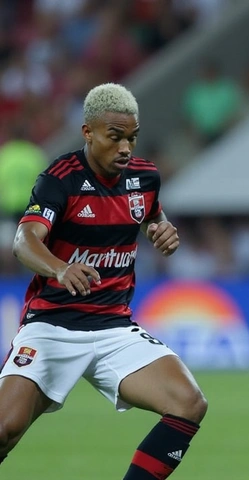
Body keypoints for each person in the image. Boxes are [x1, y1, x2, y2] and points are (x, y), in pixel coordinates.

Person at [0, 83, 208, 478]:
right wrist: (60, 268)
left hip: (114, 327)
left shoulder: (145, 178)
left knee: (189, 402)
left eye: (132, 137)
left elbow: (152, 216)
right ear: (88, 133)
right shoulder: (59, 179)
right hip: (52, 325)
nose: (126, 148)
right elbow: (23, 240)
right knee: (3, 430)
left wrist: (162, 229)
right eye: (115, 137)